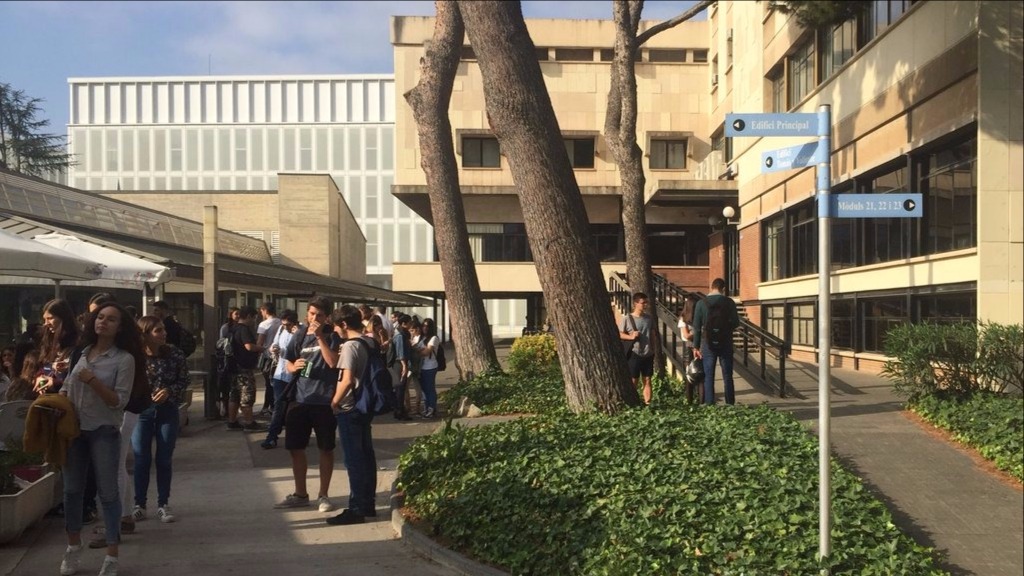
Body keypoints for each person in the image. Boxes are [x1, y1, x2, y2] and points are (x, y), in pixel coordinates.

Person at [59, 301, 145, 576]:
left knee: (108, 493)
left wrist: (92, 380)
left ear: (120, 327)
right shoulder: (80, 353)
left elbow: (119, 401)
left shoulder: (124, 359)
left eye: (110, 319)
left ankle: (111, 555)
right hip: (74, 431)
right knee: (71, 491)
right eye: (99, 317)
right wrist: (58, 395)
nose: (102, 322)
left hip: (104, 431)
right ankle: (73, 548)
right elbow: (68, 386)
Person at [276, 297, 339, 513]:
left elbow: (333, 362)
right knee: (295, 447)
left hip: (324, 399)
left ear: (327, 317)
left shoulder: (333, 335)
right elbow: (288, 360)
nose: (314, 318)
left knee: (325, 448)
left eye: (319, 315)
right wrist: (294, 367)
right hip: (299, 398)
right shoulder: (300, 334)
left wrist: (320, 336)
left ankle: (324, 494)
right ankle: (300, 493)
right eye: (311, 314)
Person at [131, 315, 189, 525]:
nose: (163, 333)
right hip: (142, 412)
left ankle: (163, 504)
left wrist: (169, 391)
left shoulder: (174, 353)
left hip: (167, 411)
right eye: (158, 330)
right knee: (141, 458)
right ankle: (139, 504)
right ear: (145, 334)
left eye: (163, 329)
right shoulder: (135, 356)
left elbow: (184, 380)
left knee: (164, 458)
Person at [326, 304, 378, 525]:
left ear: (344, 324)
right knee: (366, 455)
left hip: (350, 407)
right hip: (365, 405)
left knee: (353, 460)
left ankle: (356, 508)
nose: (336, 331)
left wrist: (334, 402)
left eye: (337, 327)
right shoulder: (369, 341)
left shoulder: (350, 346)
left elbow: (347, 380)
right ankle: (368, 503)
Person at [692, 278, 741, 406]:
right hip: (726, 342)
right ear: (723, 289)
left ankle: (710, 403)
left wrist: (695, 347)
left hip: (707, 343)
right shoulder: (729, 302)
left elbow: (696, 327)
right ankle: (730, 403)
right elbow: (736, 322)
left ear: (711, 287)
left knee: (709, 374)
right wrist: (725, 329)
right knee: (727, 374)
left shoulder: (701, 303)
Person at [260, 309, 299, 450]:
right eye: (284, 324)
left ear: (295, 322)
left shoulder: (300, 333)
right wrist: (273, 349)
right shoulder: (281, 330)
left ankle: (296, 436)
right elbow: (273, 345)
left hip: (294, 376)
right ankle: (272, 437)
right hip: (279, 374)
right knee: (278, 406)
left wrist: (297, 335)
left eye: (288, 325)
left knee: (293, 409)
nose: (286, 327)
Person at [225, 306, 262, 430]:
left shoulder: (232, 328)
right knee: (247, 395)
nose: (254, 321)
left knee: (234, 395)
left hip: (234, 367)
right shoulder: (244, 329)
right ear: (248, 316)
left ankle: (232, 421)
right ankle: (249, 422)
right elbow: (249, 347)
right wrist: (262, 348)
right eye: (254, 318)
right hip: (244, 368)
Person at [34, 299, 81, 395]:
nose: (46, 323)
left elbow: (79, 375)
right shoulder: (48, 340)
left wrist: (56, 382)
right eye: (44, 319)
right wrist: (40, 377)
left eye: (50, 318)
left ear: (63, 318)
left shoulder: (79, 343)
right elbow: (44, 364)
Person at [619, 292, 655, 405]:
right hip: (634, 352)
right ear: (635, 304)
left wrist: (653, 349)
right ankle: (633, 402)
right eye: (642, 303)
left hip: (648, 353)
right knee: (634, 379)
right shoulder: (627, 318)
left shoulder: (649, 318)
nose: (645, 305)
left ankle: (648, 403)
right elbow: (619, 333)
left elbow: (653, 333)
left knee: (647, 379)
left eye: (646, 303)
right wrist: (630, 336)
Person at [256, 303, 282, 416]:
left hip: (268, 356)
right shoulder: (281, 322)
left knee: (268, 383)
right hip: (279, 357)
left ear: (265, 311)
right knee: (275, 382)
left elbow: (260, 342)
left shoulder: (264, 324)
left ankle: (268, 406)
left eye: (261, 311)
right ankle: (274, 405)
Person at [415, 318, 441, 419]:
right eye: (424, 326)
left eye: (427, 326)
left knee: (430, 388)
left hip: (430, 366)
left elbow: (427, 352)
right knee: (424, 389)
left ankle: (432, 408)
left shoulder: (434, 338)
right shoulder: (421, 338)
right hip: (421, 367)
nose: (425, 328)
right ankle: (427, 408)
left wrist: (417, 351)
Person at [388, 314, 412, 421]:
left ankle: (399, 410)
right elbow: (401, 352)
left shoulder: (400, 333)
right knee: (400, 388)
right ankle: (399, 411)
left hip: (398, 363)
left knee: (400, 388)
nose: (411, 324)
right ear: (404, 324)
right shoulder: (400, 336)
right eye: (409, 322)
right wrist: (404, 366)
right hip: (399, 363)